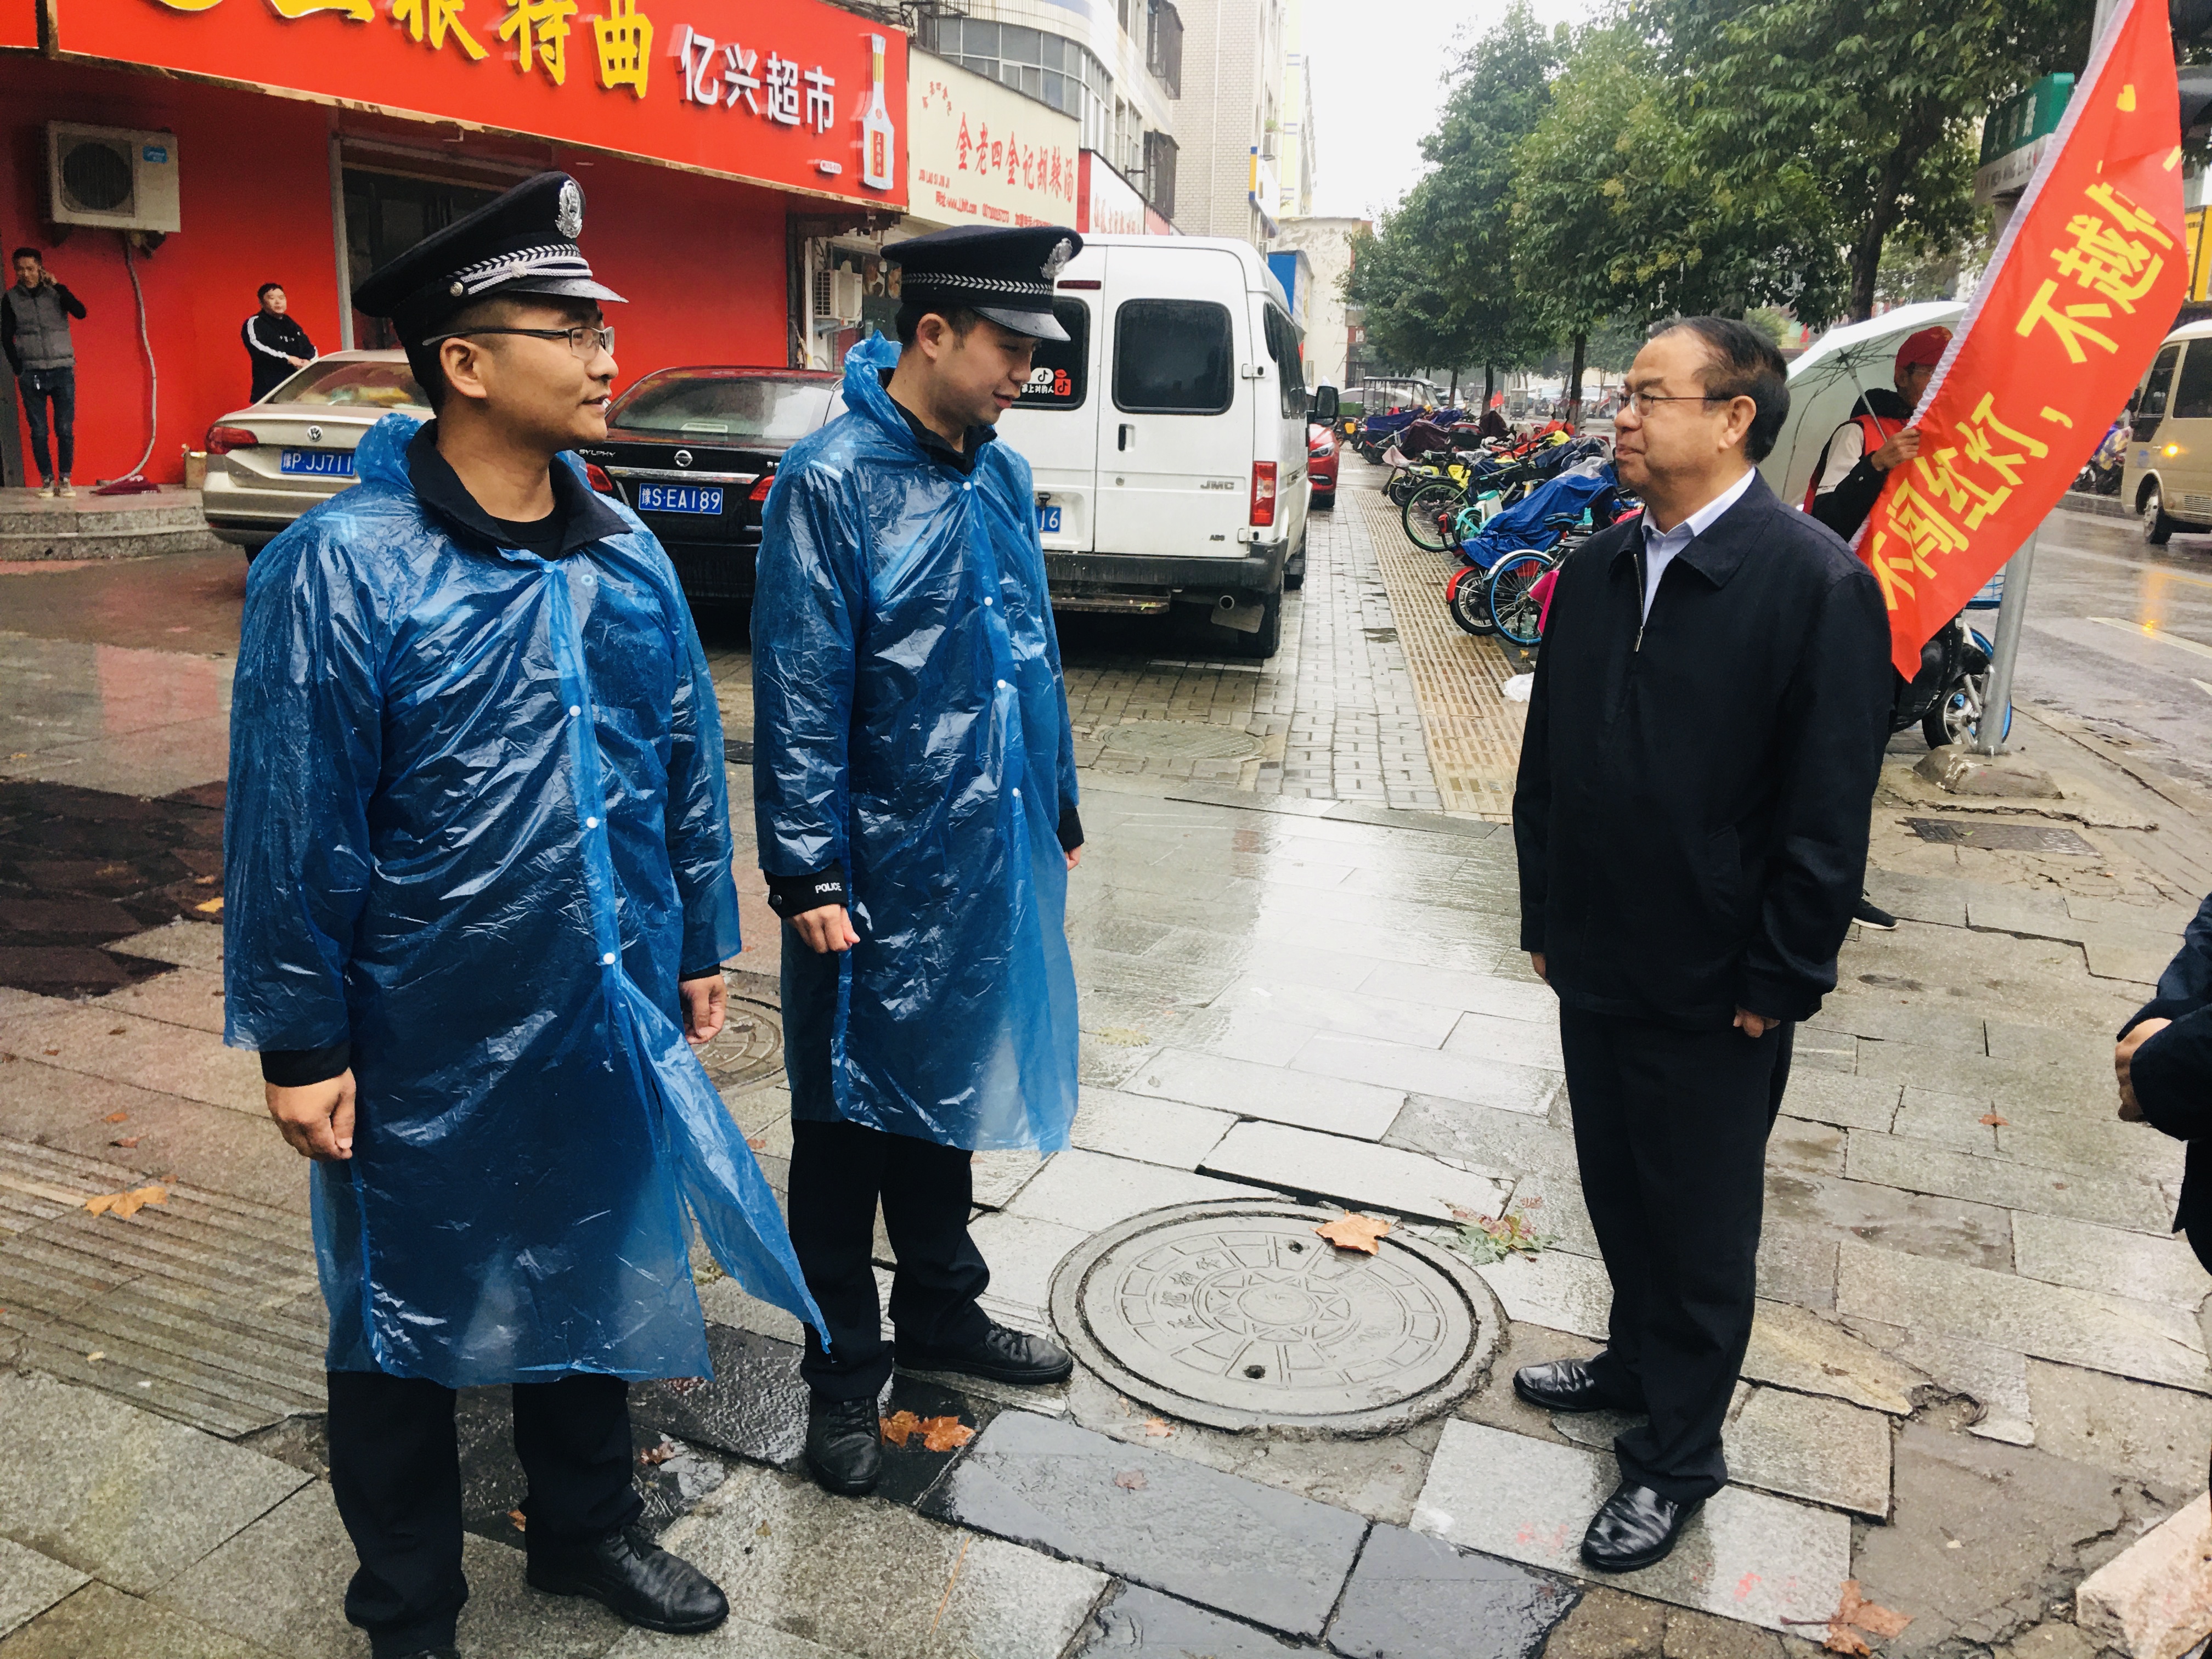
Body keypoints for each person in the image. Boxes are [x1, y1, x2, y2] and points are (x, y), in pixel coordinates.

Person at [223, 172, 820, 1659]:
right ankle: (409, 1607)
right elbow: (295, 823)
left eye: (601, 324)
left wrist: (699, 938)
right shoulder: (340, 570)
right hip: (418, 1026)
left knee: (591, 1259)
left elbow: (681, 757)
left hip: (600, 997)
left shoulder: (622, 551)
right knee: (398, 1314)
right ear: (466, 363)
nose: (608, 354)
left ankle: (585, 1526)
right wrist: (300, 1041)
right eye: (570, 329)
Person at [1511, 317, 1892, 1573]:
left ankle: (1677, 1457)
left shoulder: (1815, 585)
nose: (1622, 417)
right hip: (1597, 953)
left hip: (1717, 978)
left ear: (1734, 418)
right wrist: (1545, 913)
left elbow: (1828, 815)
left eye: (1650, 396)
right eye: (1623, 395)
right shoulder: (1600, 566)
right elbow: (1549, 762)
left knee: (1699, 1225)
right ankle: (1634, 1362)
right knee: (1618, 1186)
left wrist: (1781, 975)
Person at [752, 223, 1086, 1500]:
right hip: (870, 870)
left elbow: (1031, 650)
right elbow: (800, 685)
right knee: (845, 1125)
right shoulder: (831, 482)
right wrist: (808, 872)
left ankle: (942, 1308)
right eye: (1010, 348)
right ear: (931, 336)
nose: (1025, 375)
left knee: (946, 1094)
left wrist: (1054, 805)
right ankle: (844, 1372)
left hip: (980, 853)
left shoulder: (998, 474)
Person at [1804, 324, 1951, 933]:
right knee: (1840, 755)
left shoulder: (1945, 438)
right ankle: (1826, 881)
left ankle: (1840, 877)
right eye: (1931, 371)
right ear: (1905, 375)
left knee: (1866, 759)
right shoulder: (1861, 432)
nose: (1939, 382)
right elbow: (1824, 521)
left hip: (1908, 615)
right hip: (1855, 615)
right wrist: (1875, 466)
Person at [2, 247, 85, 497]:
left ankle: (65, 479)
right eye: (20, 269)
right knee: (38, 430)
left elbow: (80, 312)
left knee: (64, 428)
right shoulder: (11, 298)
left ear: (40, 267)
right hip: (32, 372)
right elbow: (6, 336)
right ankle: (47, 480)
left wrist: (58, 286)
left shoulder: (56, 293)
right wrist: (19, 369)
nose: (25, 274)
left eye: (30, 268)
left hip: (62, 369)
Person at [243, 281, 317, 401]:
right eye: (272, 298)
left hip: (297, 391)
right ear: (261, 303)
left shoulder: (291, 324)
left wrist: (309, 361)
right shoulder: (256, 322)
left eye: (281, 298)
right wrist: (288, 359)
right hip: (269, 392)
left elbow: (309, 347)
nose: (278, 302)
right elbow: (257, 347)